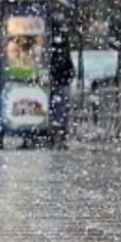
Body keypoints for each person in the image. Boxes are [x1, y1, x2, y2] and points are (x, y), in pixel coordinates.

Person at [48, 12, 74, 148]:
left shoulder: (52, 39)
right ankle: (59, 134)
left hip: (57, 79)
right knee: (61, 109)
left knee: (57, 108)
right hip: (61, 79)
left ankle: (56, 134)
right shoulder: (61, 39)